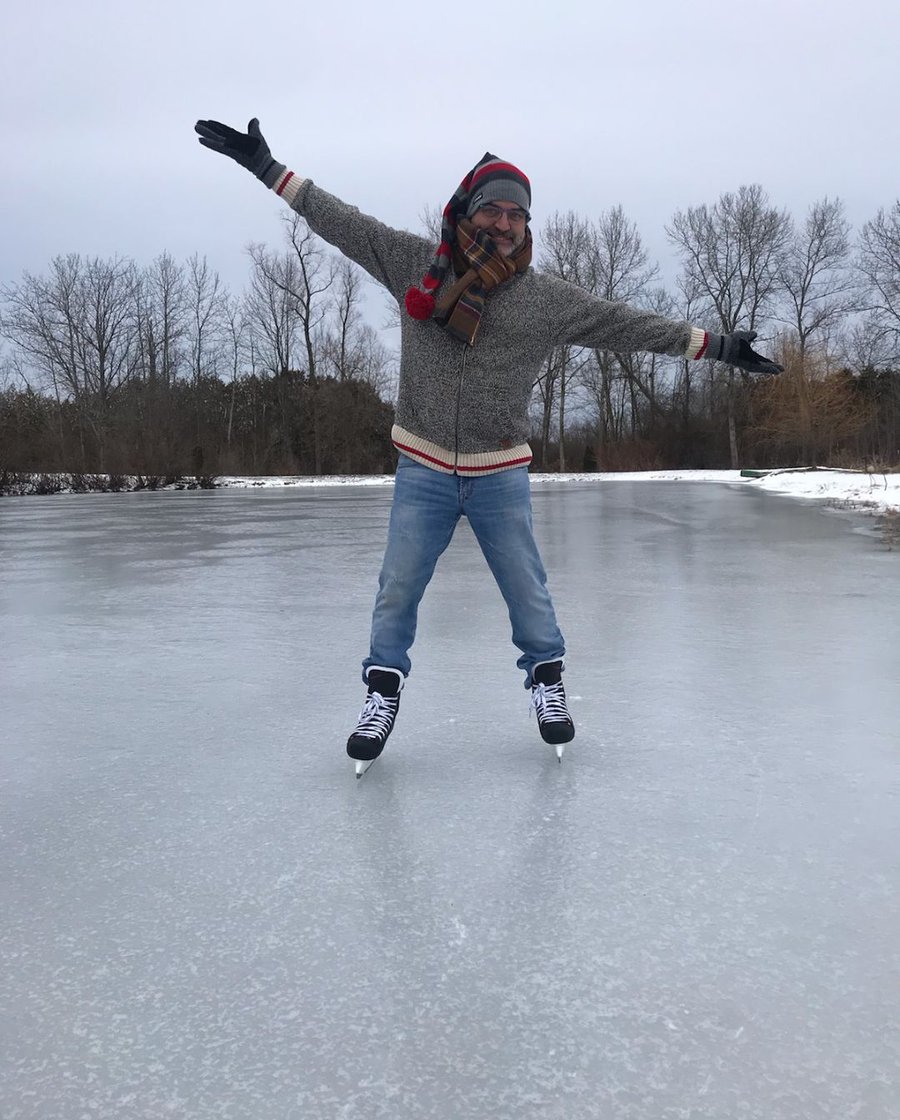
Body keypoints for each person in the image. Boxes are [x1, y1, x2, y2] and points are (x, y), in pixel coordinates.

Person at [194, 118, 783, 767]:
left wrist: (722, 347)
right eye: (493, 209)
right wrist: (267, 168)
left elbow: (628, 325)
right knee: (397, 587)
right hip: (422, 465)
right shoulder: (414, 266)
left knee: (527, 589)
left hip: (499, 470)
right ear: (469, 213)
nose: (504, 223)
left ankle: (547, 684)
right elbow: (342, 223)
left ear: (526, 226)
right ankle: (382, 691)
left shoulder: (544, 300)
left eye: (516, 214)